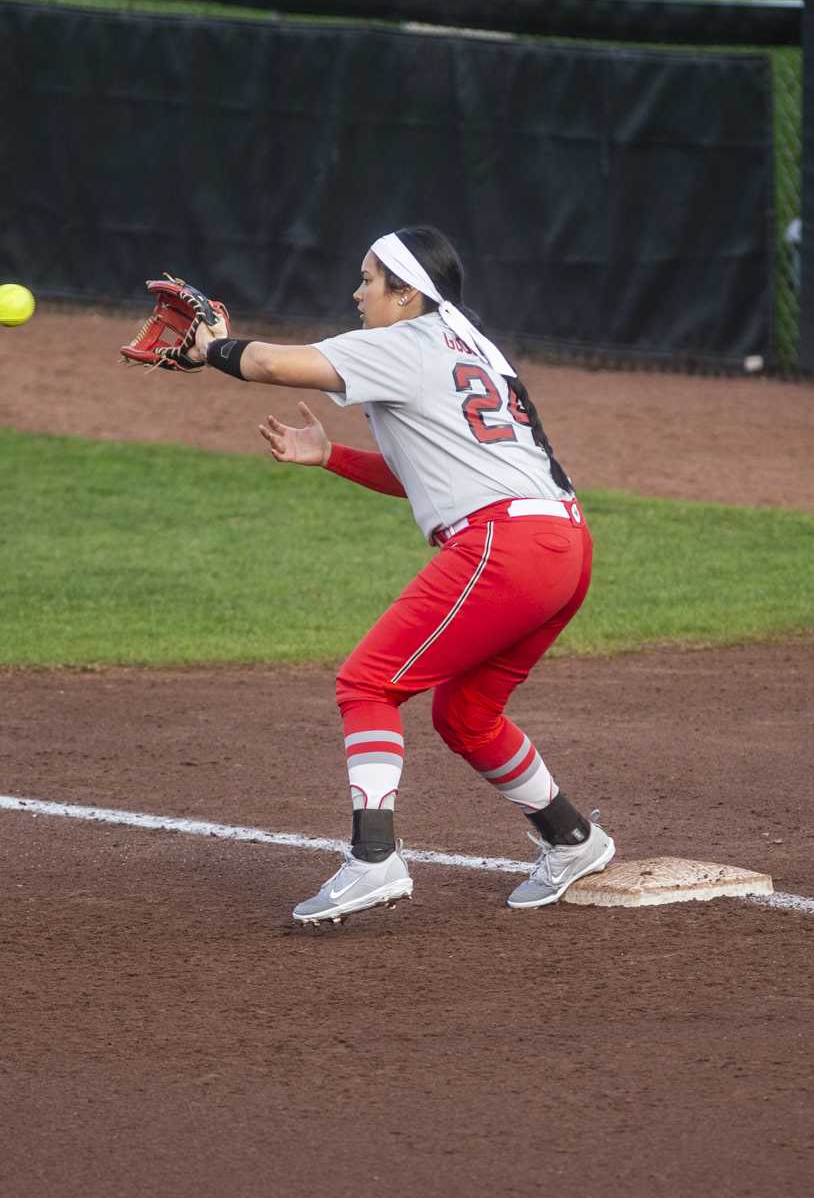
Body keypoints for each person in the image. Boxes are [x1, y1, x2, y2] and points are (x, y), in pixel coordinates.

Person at [171, 225, 616, 922]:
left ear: (408, 294)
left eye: (370, 280)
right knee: (466, 714)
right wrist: (332, 458)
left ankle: (374, 859)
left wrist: (211, 348)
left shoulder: (403, 342)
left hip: (506, 547)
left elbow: (276, 366)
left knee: (367, 681)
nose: (357, 292)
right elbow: (439, 471)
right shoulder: (473, 345)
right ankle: (571, 838)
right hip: (563, 544)